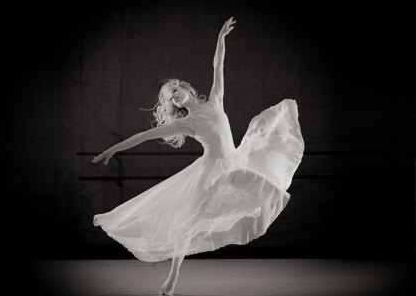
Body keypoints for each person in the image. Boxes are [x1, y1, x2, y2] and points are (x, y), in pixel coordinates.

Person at [92, 17, 305, 296]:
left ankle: (238, 216)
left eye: (174, 91)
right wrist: (113, 149)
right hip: (211, 173)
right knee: (187, 224)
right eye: (170, 99)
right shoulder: (185, 123)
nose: (174, 98)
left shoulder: (215, 99)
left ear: (184, 88)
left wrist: (220, 38)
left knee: (273, 191)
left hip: (235, 163)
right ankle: (171, 280)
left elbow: (218, 66)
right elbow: (144, 137)